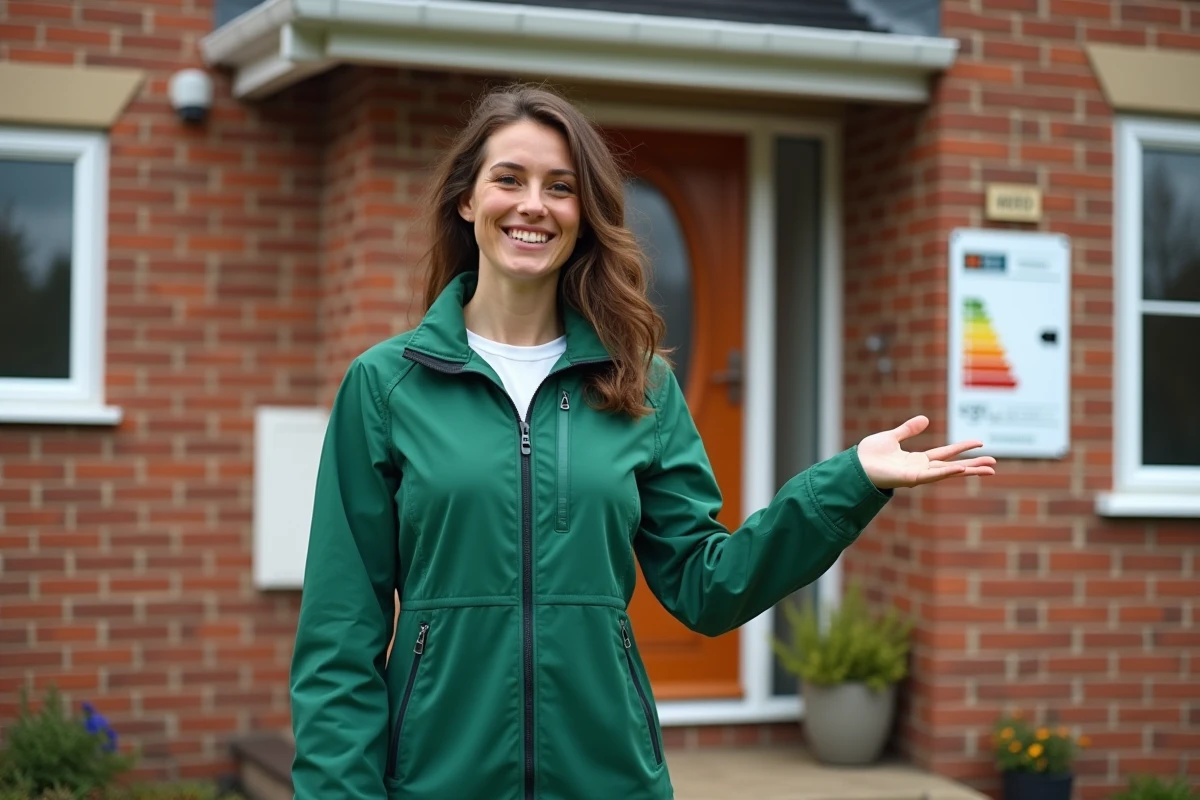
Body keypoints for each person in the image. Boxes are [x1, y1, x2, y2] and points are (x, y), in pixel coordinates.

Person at [289, 84, 996, 800]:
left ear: (583, 216)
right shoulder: (385, 387)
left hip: (609, 780)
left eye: (560, 188)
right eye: (510, 179)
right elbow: (338, 640)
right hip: (438, 781)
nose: (534, 204)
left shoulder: (641, 387)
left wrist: (851, 481)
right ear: (467, 201)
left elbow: (707, 585)